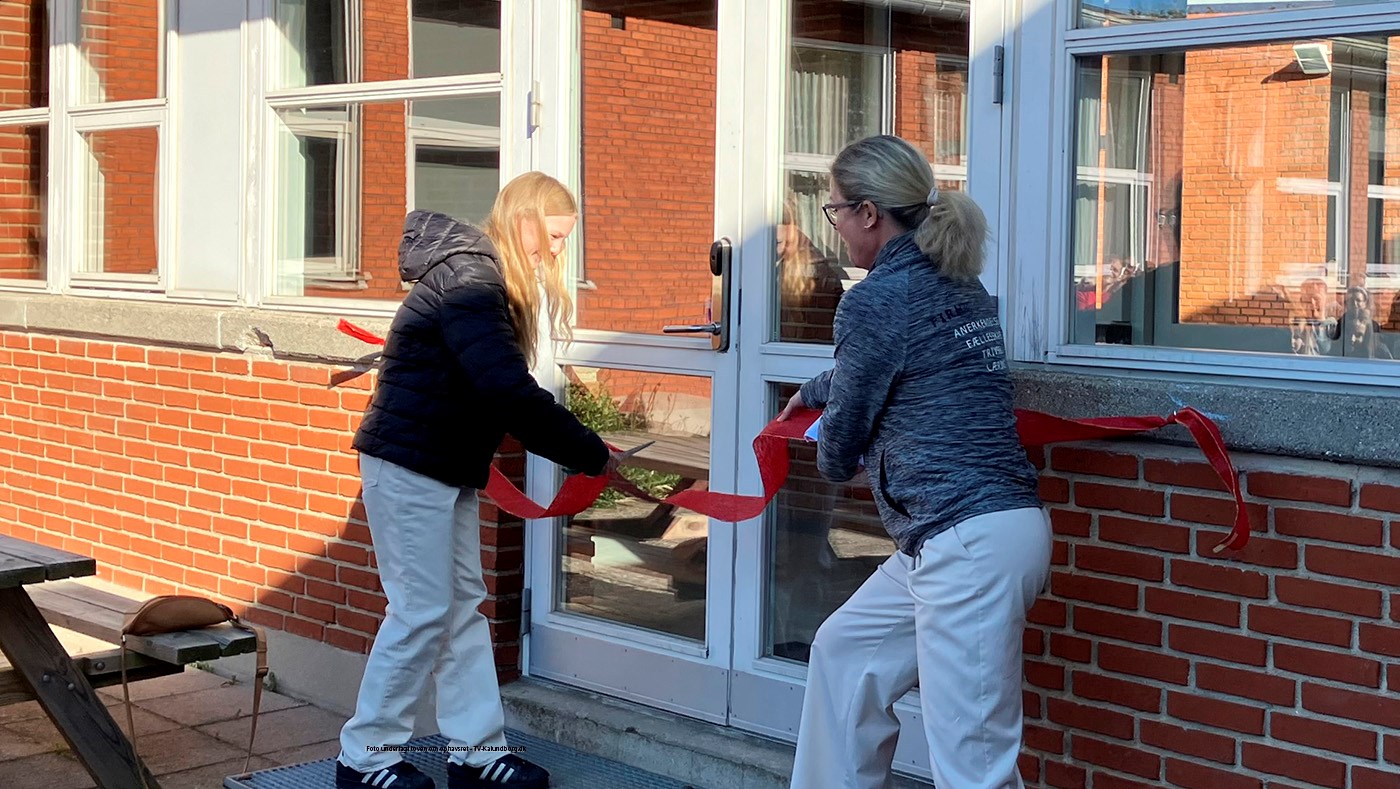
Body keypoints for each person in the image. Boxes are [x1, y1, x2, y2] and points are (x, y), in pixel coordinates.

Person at [776, 135, 1051, 789]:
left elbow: (842, 448)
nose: (834, 223)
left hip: (968, 543)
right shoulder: (955, 281)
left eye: (835, 209)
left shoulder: (875, 298)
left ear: (870, 213)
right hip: (967, 533)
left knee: (974, 765)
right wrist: (816, 390)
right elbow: (889, 364)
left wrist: (828, 438)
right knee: (845, 656)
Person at [336, 172, 626, 789]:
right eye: (552, 236)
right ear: (523, 220)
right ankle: (364, 758)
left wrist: (585, 449)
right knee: (420, 611)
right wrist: (591, 452)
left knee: (462, 608)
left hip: (443, 466)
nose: (555, 252)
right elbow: (504, 390)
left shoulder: (482, 278)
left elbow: (492, 390)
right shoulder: (471, 280)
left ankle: (475, 751)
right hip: (410, 464)